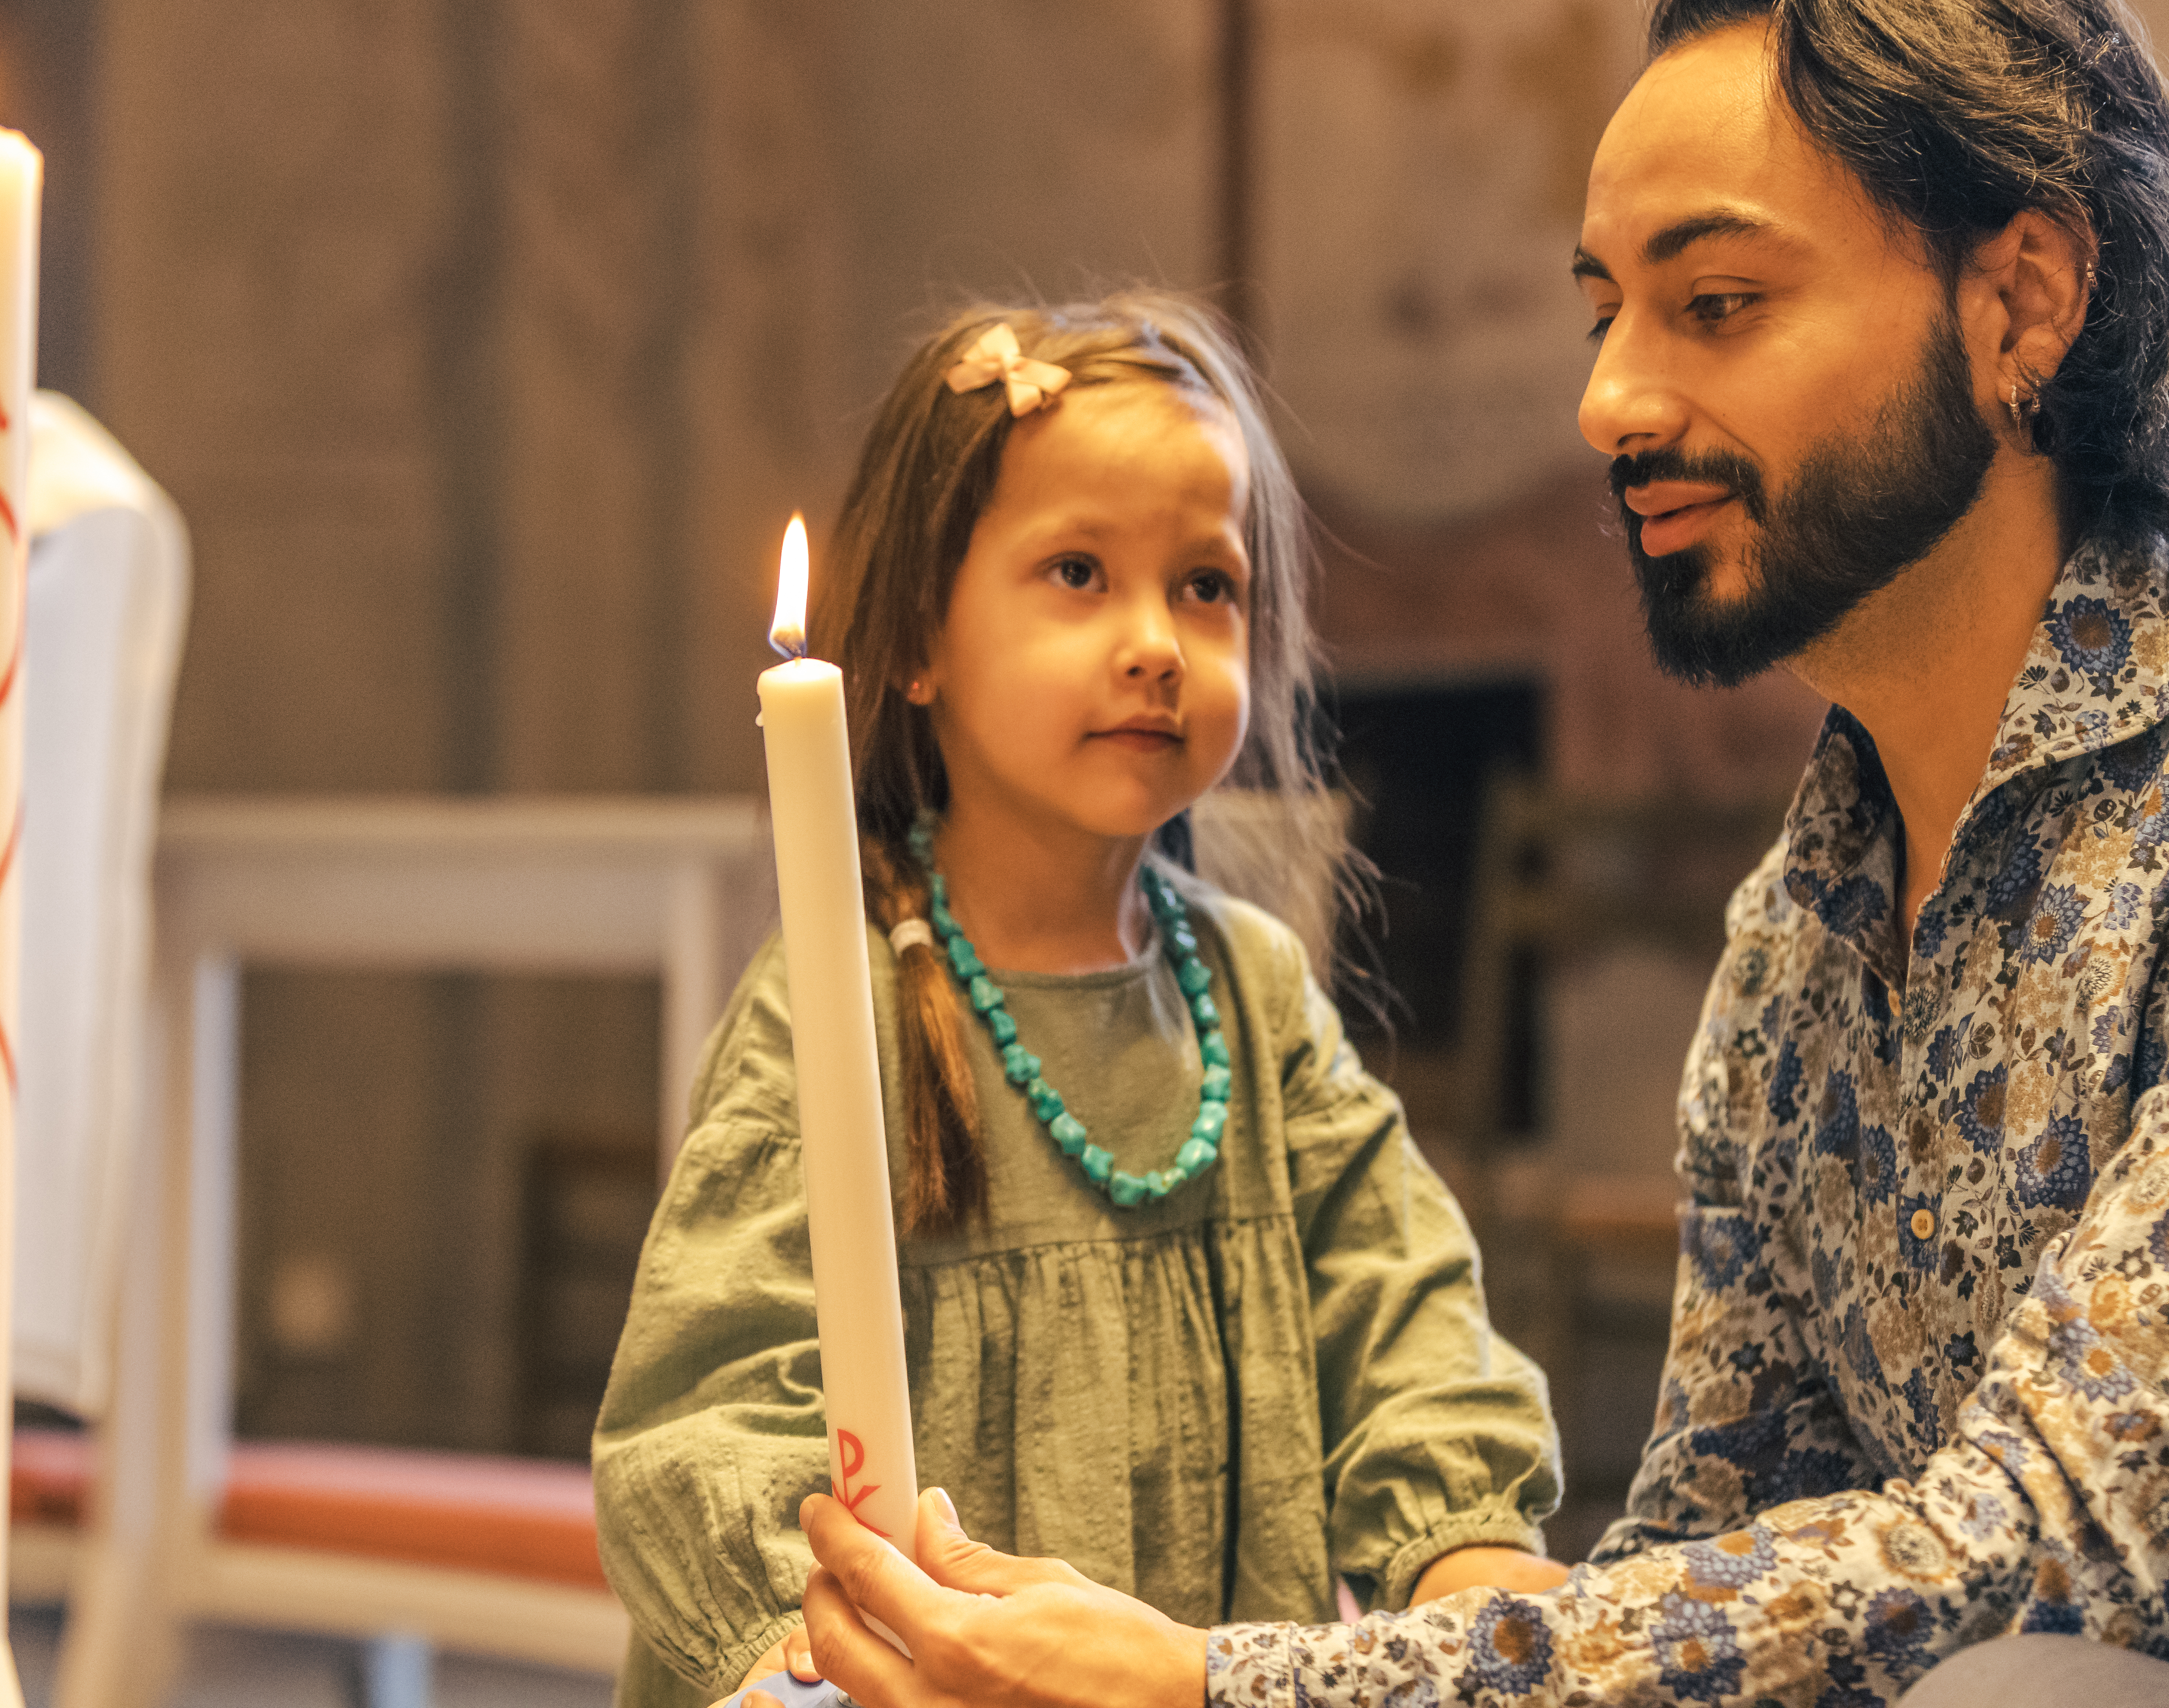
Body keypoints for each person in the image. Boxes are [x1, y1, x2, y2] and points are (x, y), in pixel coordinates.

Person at [789, 0, 2169, 1708]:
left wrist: (1228, 1691)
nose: (1607, 401)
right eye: (1604, 311)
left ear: (2017, 301)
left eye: (1714, 304)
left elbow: (2059, 1547)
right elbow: (1708, 1583)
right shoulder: (1799, 937)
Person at [592, 293, 1563, 1708]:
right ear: (920, 638)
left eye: (1206, 586)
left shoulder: (1254, 995)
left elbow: (1403, 1309)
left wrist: (1469, 1572)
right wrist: (801, 1654)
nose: (1157, 641)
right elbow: (716, 1397)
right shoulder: (838, 1001)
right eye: (1078, 573)